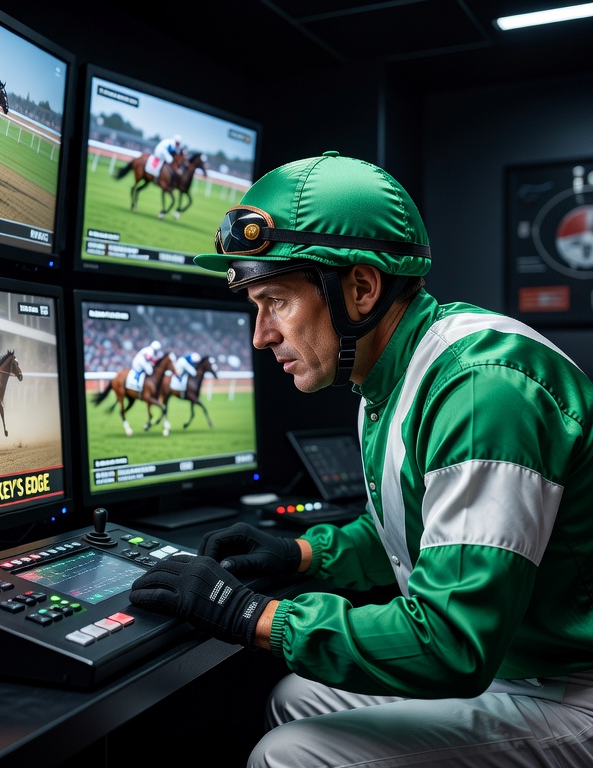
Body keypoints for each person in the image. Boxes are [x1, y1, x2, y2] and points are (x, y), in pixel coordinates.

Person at [129, 151, 593, 766]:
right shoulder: (393, 374)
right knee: (297, 697)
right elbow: (420, 532)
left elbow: (452, 642)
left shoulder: (484, 391)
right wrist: (302, 553)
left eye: (276, 301)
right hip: (521, 660)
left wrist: (248, 611)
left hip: (569, 689)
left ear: (362, 287)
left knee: (286, 753)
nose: (260, 335)